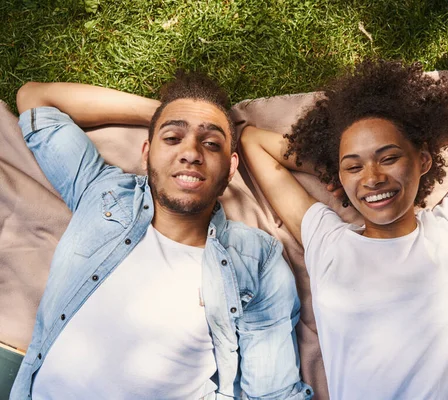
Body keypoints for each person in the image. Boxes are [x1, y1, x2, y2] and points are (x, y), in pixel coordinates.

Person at [10, 71, 313, 400]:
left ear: (230, 168)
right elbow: (34, 98)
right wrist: (160, 112)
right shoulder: (104, 194)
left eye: (211, 143)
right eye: (172, 138)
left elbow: (273, 393)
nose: (191, 152)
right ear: (146, 154)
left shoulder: (256, 258)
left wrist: (175, 120)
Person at [240, 60, 448, 399]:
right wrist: (338, 169)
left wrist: (417, 141)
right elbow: (254, 142)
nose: (373, 178)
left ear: (424, 161)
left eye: (389, 159)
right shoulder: (327, 241)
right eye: (355, 165)